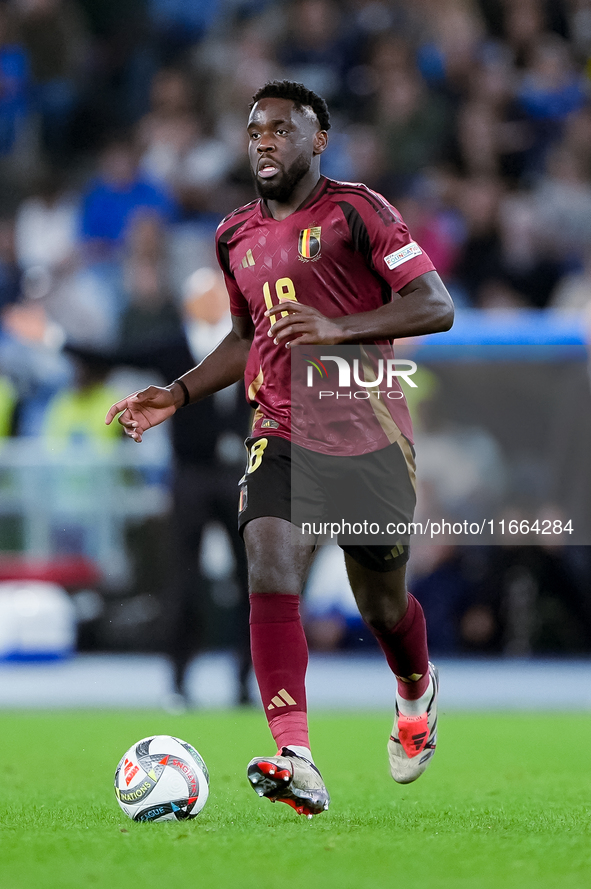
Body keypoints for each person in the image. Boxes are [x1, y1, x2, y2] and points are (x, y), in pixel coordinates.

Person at [106, 80, 454, 817]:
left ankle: (416, 692)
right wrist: (178, 392)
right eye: (254, 129)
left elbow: (435, 305)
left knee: (383, 606)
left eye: (281, 128)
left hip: (369, 439)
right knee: (266, 559)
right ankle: (296, 755)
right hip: (280, 429)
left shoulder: (359, 210)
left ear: (317, 139)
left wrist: (337, 326)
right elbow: (244, 338)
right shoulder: (233, 235)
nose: (264, 139)